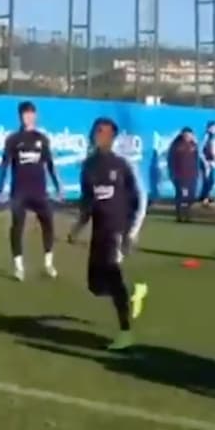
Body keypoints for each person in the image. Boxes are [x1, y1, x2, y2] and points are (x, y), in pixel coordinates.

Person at [68, 117, 149, 350]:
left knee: (113, 276)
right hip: (99, 230)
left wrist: (131, 232)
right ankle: (131, 292)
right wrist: (77, 227)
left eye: (103, 132)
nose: (98, 135)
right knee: (95, 286)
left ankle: (125, 332)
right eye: (96, 131)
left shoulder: (122, 165)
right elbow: (87, 201)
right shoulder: (88, 166)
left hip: (117, 230)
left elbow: (140, 198)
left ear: (112, 137)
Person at [0, 101, 64, 281]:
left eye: (30, 114)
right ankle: (19, 267)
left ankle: (48, 264)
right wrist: (0, 188)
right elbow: (4, 165)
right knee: (17, 227)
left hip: (39, 191)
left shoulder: (42, 139)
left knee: (48, 223)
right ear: (20, 117)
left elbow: (50, 164)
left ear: (35, 116)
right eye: (24, 114)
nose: (27, 117)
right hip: (19, 192)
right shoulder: (13, 139)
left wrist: (58, 186)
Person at [167, 127, 203, 223]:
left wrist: (197, 172)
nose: (188, 137)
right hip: (180, 175)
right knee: (182, 195)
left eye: (190, 135)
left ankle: (188, 215)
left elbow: (196, 160)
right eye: (186, 135)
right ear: (182, 135)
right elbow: (171, 160)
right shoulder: (176, 145)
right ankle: (179, 215)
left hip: (192, 175)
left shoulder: (194, 145)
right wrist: (172, 173)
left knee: (191, 196)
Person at [199, 121, 215, 206]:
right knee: (208, 180)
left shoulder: (211, 137)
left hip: (210, 162)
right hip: (205, 162)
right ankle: (205, 198)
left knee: (210, 181)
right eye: (214, 127)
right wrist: (205, 162)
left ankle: (205, 197)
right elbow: (200, 150)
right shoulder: (206, 136)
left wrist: (214, 158)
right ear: (209, 128)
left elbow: (209, 150)